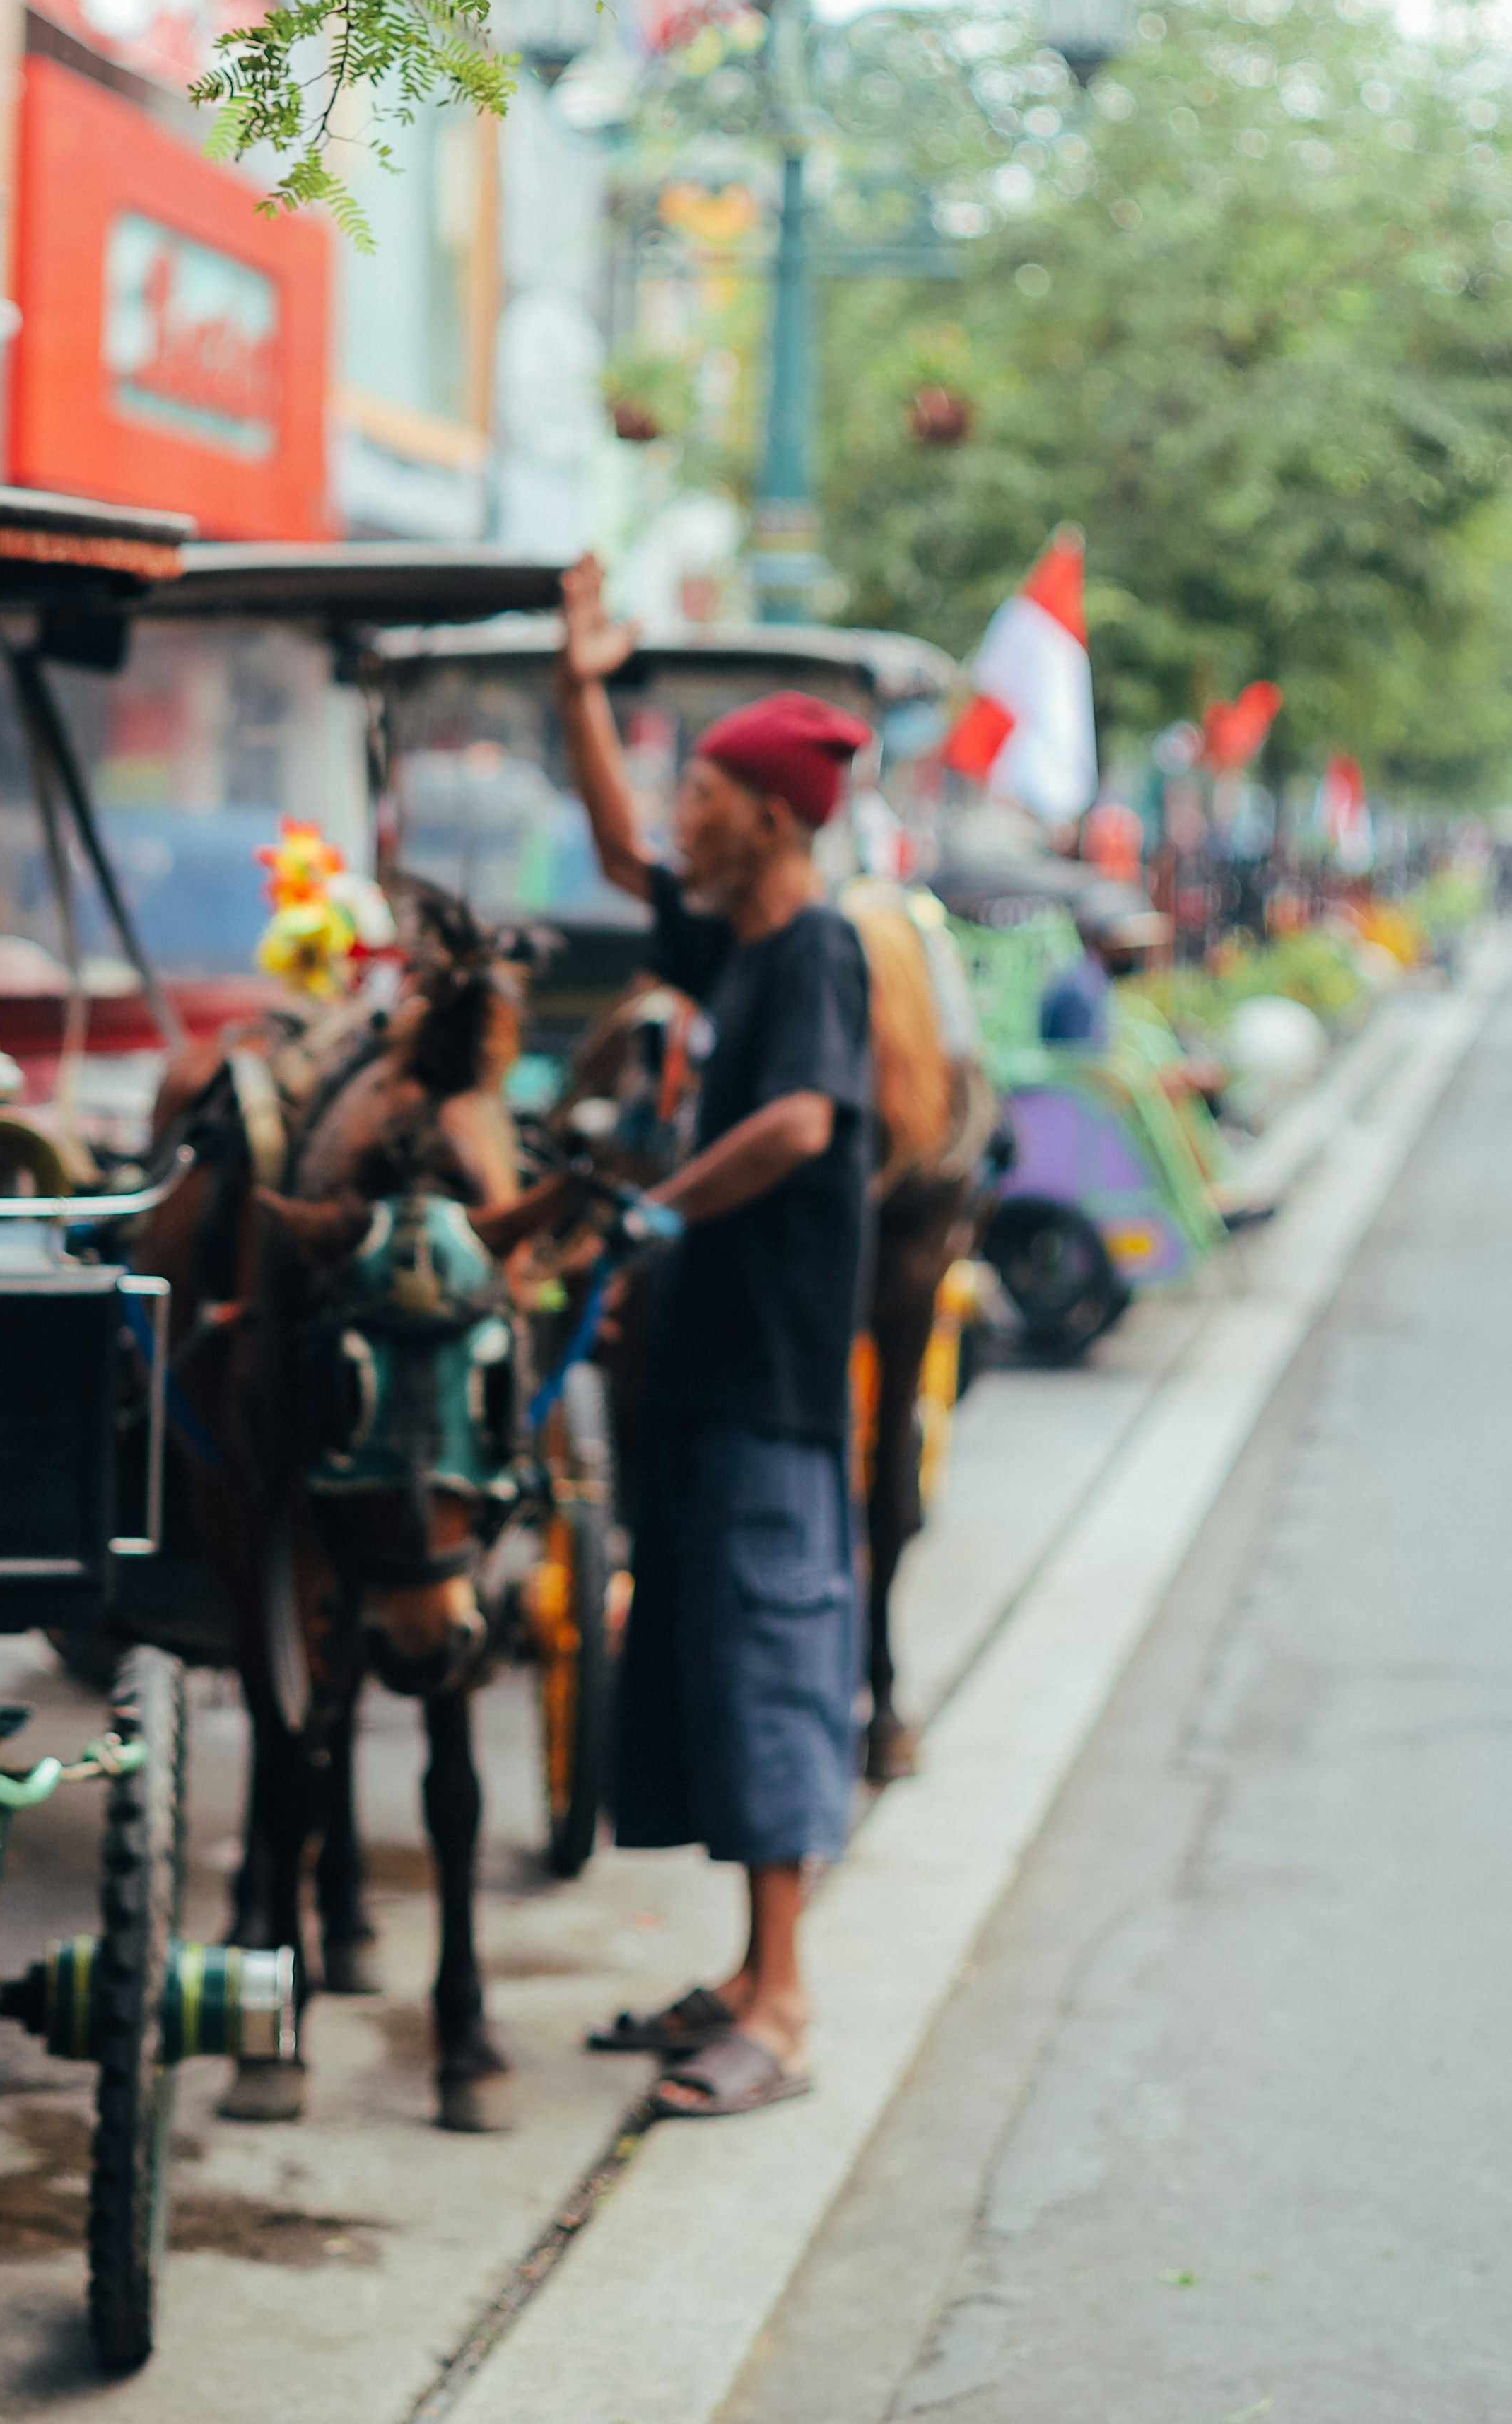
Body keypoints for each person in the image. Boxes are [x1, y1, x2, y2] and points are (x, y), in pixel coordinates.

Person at [547, 551, 875, 2121]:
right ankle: (743, 1974)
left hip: (770, 1380)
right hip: (697, 1377)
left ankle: (788, 2004)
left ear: (774, 814)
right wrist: (582, 686)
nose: (683, 809)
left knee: (769, 1662)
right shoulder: (735, 946)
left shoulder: (814, 949)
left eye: (707, 790)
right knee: (698, 1661)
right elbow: (619, 847)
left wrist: (659, 1208)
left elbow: (805, 1121)